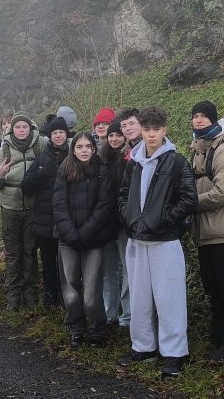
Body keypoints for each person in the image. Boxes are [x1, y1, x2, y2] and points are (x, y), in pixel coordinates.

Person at [117, 106, 197, 378]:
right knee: (139, 298)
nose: (151, 135)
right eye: (147, 129)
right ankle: (143, 346)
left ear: (165, 130)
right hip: (137, 240)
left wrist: (163, 220)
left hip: (164, 240)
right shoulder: (133, 162)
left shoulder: (176, 162)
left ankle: (174, 353)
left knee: (169, 299)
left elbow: (188, 199)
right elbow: (123, 195)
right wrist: (129, 218)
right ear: (141, 130)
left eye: (156, 130)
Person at [188, 100, 224, 362]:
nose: (198, 120)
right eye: (195, 116)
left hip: (223, 232)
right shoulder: (198, 148)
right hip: (204, 233)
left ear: (213, 119)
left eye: (203, 116)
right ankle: (218, 337)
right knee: (213, 287)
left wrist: (189, 204)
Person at [53, 132, 116, 348]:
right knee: (70, 288)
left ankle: (98, 329)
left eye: (87, 146)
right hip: (67, 240)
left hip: (93, 240)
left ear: (94, 148)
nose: (84, 150)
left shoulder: (101, 170)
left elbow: (104, 205)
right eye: (79, 147)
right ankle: (77, 329)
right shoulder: (64, 170)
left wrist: (85, 233)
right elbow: (59, 205)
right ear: (73, 149)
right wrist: (71, 235)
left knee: (91, 292)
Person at [0, 114, 47, 310]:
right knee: (13, 253)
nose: (21, 130)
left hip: (33, 207)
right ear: (12, 130)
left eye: (25, 127)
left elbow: (63, 140)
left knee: (30, 251)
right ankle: (12, 297)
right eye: (18, 127)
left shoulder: (39, 145)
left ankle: (31, 296)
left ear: (31, 128)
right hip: (10, 208)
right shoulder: (4, 148)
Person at [21, 116, 70, 307]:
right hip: (44, 220)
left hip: (66, 219)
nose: (58, 136)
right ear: (49, 136)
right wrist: (40, 173)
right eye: (54, 133)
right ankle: (50, 295)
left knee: (66, 262)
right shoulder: (41, 158)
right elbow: (26, 186)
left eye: (61, 132)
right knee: (48, 261)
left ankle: (68, 297)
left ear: (67, 134)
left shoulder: (73, 156)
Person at [100, 119, 130, 328]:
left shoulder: (129, 159)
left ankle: (127, 316)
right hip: (105, 222)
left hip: (123, 221)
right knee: (108, 269)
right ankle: (109, 313)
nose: (114, 138)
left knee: (127, 269)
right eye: (111, 135)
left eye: (118, 134)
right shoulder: (102, 159)